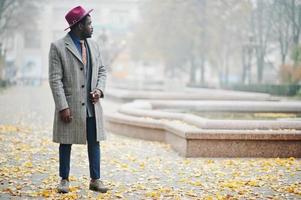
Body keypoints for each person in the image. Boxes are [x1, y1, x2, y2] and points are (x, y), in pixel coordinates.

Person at [48, 6, 108, 193]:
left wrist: (99, 89)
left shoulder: (94, 45)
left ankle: (95, 180)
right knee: (65, 142)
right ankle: (64, 180)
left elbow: (102, 71)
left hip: (92, 106)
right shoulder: (58, 47)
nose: (92, 27)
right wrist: (62, 106)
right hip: (70, 106)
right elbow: (55, 79)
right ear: (78, 26)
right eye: (89, 24)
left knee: (94, 142)